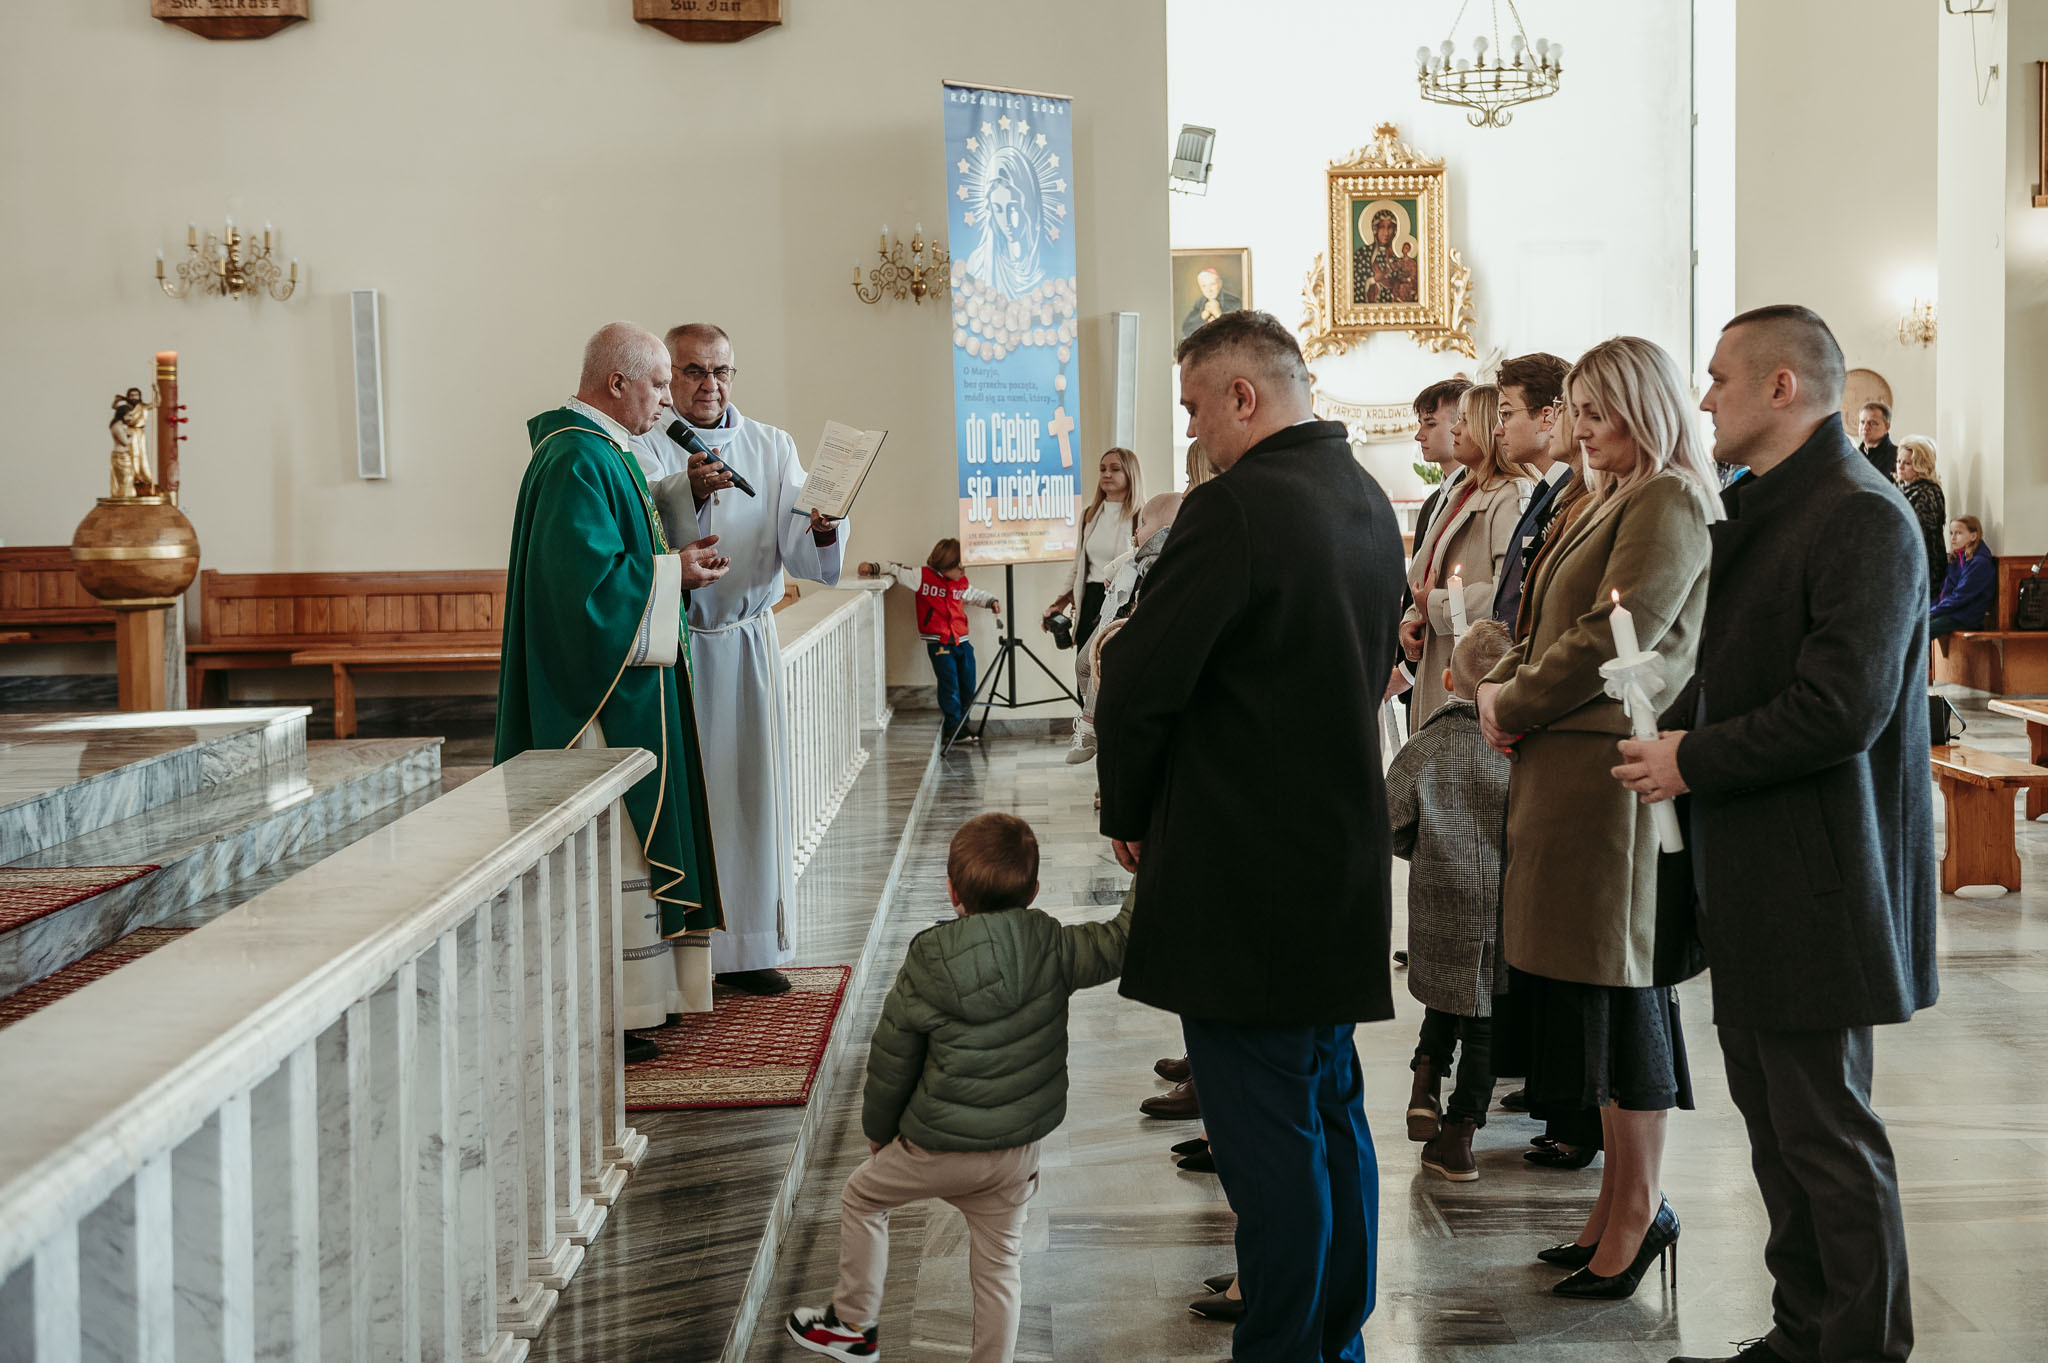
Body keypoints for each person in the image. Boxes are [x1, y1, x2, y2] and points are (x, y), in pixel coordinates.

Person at [1614, 304, 1935, 1363]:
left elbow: (1840, 709)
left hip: (1821, 876)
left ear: (1781, 387)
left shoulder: (1858, 514)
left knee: (1826, 1134)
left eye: (1718, 377)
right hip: (1755, 871)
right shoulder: (1771, 507)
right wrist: (1665, 723)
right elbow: (1741, 675)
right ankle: (1804, 1331)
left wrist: (1690, 759)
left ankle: (1860, 1347)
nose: (1702, 397)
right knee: (1775, 1129)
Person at [1096, 309, 1403, 1363]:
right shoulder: (1363, 495)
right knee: (1329, 1115)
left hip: (1243, 870)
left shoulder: (1235, 507)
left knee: (1267, 1148)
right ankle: (1335, 1336)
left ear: (1244, 395)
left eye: (1195, 407)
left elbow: (1140, 679)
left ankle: (1282, 1348)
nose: (1192, 431)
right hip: (1335, 857)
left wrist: (1128, 811)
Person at [1477, 335, 1722, 1300]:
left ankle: (1638, 1208)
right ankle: (1616, 1202)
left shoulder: (1668, 499)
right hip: (1570, 771)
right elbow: (1545, 624)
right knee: (1599, 1002)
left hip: (1616, 776)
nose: (1580, 428)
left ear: (1646, 408)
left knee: (1629, 997)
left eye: (1597, 410)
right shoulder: (1604, 496)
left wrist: (1513, 700)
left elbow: (1611, 638)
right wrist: (1500, 689)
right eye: (1575, 410)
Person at [784, 814, 1132, 1363]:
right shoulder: (1053, 945)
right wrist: (1149, 865)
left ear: (952, 892)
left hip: (938, 1146)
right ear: (1034, 890)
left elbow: (892, 1054)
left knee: (863, 1198)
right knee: (999, 1268)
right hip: (1015, 1152)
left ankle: (853, 1326)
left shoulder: (929, 958)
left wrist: (879, 1132)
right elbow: (1121, 940)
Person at [495, 322, 733, 1050]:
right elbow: (584, 595)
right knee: (617, 850)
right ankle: (610, 1010)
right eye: (659, 383)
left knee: (632, 849)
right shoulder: (575, 456)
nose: (667, 400)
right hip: (599, 706)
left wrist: (673, 564)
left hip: (628, 688)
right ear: (616, 382)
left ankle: (645, 997)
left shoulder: (604, 449)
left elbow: (623, 555)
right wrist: (673, 574)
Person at [628, 323, 848, 997]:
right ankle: (685, 954)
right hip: (677, 648)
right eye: (693, 371)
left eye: (721, 370)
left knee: (751, 795)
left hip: (746, 644)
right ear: (670, 376)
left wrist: (823, 526)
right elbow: (638, 533)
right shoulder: (642, 444)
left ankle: (750, 946)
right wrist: (687, 492)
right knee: (689, 800)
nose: (709, 385)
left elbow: (801, 548)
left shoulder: (772, 445)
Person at [1388, 619, 1513, 1183]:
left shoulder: (1427, 743)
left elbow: (1389, 818)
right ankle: (1459, 1138)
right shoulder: (1518, 747)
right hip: (1502, 902)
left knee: (1442, 996)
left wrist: (1423, 851)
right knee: (1482, 1017)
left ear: (1445, 680)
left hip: (1440, 896)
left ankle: (1423, 1089)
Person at [1401, 384, 1531, 721]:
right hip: (1437, 653)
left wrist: (1433, 605)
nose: (1456, 430)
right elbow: (1426, 572)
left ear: (1488, 428)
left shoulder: (1509, 495)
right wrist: (1411, 620)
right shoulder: (1461, 491)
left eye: (1465, 420)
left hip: (1473, 666)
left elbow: (1506, 593)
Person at [1066, 491, 1181, 764]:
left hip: (1126, 622)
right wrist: (1113, 574)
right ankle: (1095, 716)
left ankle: (1091, 726)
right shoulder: (1139, 553)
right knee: (1082, 665)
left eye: (1144, 524)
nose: (1137, 530)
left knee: (1101, 662)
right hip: (1109, 614)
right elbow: (1126, 562)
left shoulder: (1161, 555)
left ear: (1164, 530)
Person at [858, 540, 1000, 744]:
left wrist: (991, 601)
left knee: (968, 683)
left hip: (961, 640)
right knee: (950, 684)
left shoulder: (960, 582)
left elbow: (973, 594)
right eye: (959, 567)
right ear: (945, 565)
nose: (963, 572)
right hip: (939, 642)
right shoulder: (921, 577)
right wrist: (873, 567)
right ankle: (953, 727)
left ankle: (963, 723)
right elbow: (895, 569)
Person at [1489, 352, 1574, 625]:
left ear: (1547, 417)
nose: (1497, 430)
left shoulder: (1573, 493)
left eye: (1506, 414)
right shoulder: (1547, 488)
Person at [1044, 447, 1143, 650]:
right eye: (1102, 469)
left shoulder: (1141, 516)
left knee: (1116, 663)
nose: (1107, 474)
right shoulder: (1089, 515)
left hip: (1123, 601)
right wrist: (1060, 603)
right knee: (1085, 664)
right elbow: (1078, 567)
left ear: (1130, 473)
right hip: (1090, 600)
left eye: (1115, 469)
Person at [1894, 436, 1947, 601]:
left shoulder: (1928, 491)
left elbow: (1920, 535)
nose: (1900, 466)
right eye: (1899, 461)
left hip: (1923, 565)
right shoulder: (1900, 488)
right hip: (1902, 561)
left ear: (1920, 466)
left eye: (1907, 463)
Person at [1930, 513, 1996, 636]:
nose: (1953, 538)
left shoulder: (1979, 563)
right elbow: (1945, 591)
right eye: (1951, 533)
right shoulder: (1957, 558)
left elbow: (1960, 596)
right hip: (1952, 612)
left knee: (1920, 631)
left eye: (1958, 533)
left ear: (1973, 536)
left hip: (1965, 617)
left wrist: (1933, 613)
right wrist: (1928, 610)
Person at [1180, 266, 1242, 340]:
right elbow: (1186, 329)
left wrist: (1219, 315)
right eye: (1204, 286)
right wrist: (1202, 316)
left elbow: (1238, 330)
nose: (1209, 290)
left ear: (1220, 283)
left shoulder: (1234, 301)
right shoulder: (1199, 302)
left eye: (1212, 284)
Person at [1855, 400, 1897, 482]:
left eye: (1872, 423)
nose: (1865, 427)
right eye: (1862, 422)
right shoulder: (1853, 455)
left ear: (1887, 427)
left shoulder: (1898, 458)